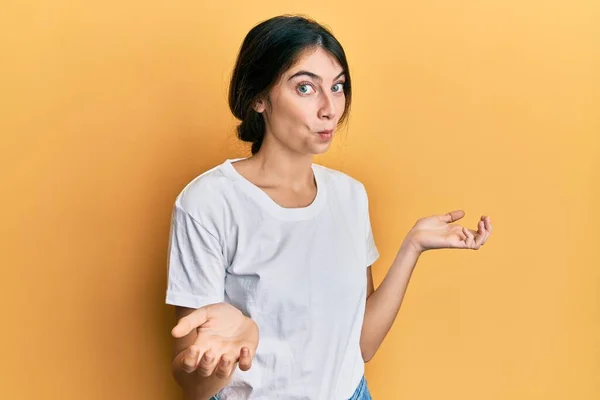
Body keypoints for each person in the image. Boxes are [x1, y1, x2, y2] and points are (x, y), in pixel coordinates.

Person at [165, 14, 493, 400]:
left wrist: (413, 247)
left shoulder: (350, 196)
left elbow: (362, 345)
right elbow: (194, 387)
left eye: (337, 87)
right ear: (258, 98)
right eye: (305, 87)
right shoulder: (208, 202)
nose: (330, 108)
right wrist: (232, 347)